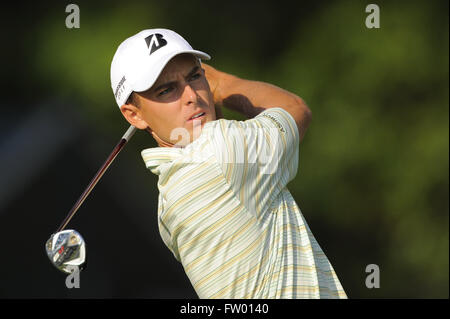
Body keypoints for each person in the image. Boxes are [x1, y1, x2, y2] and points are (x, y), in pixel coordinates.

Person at [110, 28, 347, 299]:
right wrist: (221, 84)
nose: (192, 95)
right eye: (167, 90)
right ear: (134, 115)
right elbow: (295, 109)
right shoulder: (219, 152)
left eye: (194, 77)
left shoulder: (166, 203)